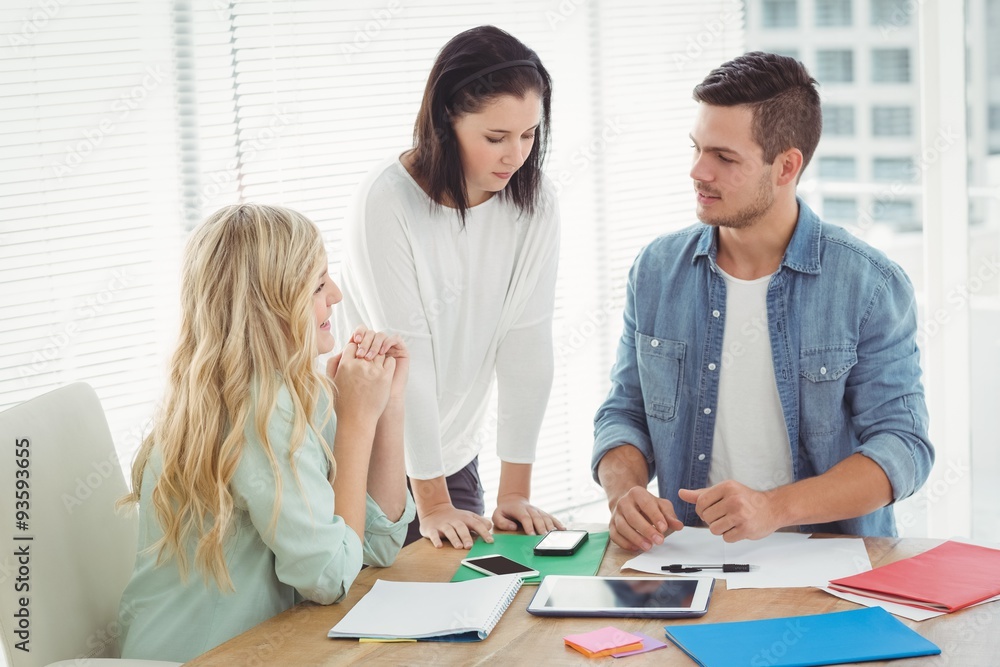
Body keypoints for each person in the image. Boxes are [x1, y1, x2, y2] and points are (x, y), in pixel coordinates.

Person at [592, 52, 933, 552]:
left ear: (786, 166)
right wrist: (625, 492)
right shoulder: (656, 270)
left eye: (724, 158)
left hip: (831, 569)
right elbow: (625, 413)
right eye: (697, 148)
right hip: (689, 561)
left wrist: (775, 508)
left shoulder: (869, 284)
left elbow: (903, 447)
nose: (697, 171)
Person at [118, 204, 414, 661]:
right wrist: (355, 421)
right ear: (266, 307)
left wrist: (385, 406)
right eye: (317, 285)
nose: (334, 294)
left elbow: (376, 543)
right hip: (201, 656)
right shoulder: (258, 410)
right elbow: (330, 576)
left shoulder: (292, 391)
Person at [336, 25, 564, 549]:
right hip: (371, 453)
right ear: (446, 121)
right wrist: (432, 502)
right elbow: (405, 355)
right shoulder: (386, 202)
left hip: (452, 453)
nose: (516, 156)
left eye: (529, 134)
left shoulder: (535, 202)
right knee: (377, 621)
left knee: (467, 611)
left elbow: (527, 344)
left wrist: (514, 493)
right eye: (495, 138)